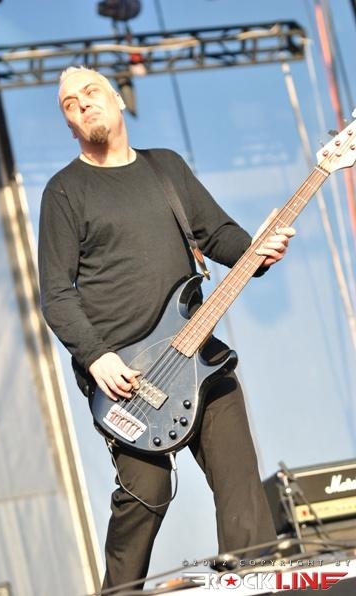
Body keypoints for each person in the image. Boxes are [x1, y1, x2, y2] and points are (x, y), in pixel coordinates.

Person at [38, 66, 296, 590]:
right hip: (126, 376)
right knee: (146, 493)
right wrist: (96, 356)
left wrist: (258, 249)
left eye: (90, 92)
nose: (82, 104)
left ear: (117, 98)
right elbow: (57, 294)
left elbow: (218, 235)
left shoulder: (165, 167)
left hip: (196, 354)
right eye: (69, 103)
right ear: (69, 125)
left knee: (239, 479)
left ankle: (254, 581)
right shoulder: (64, 191)